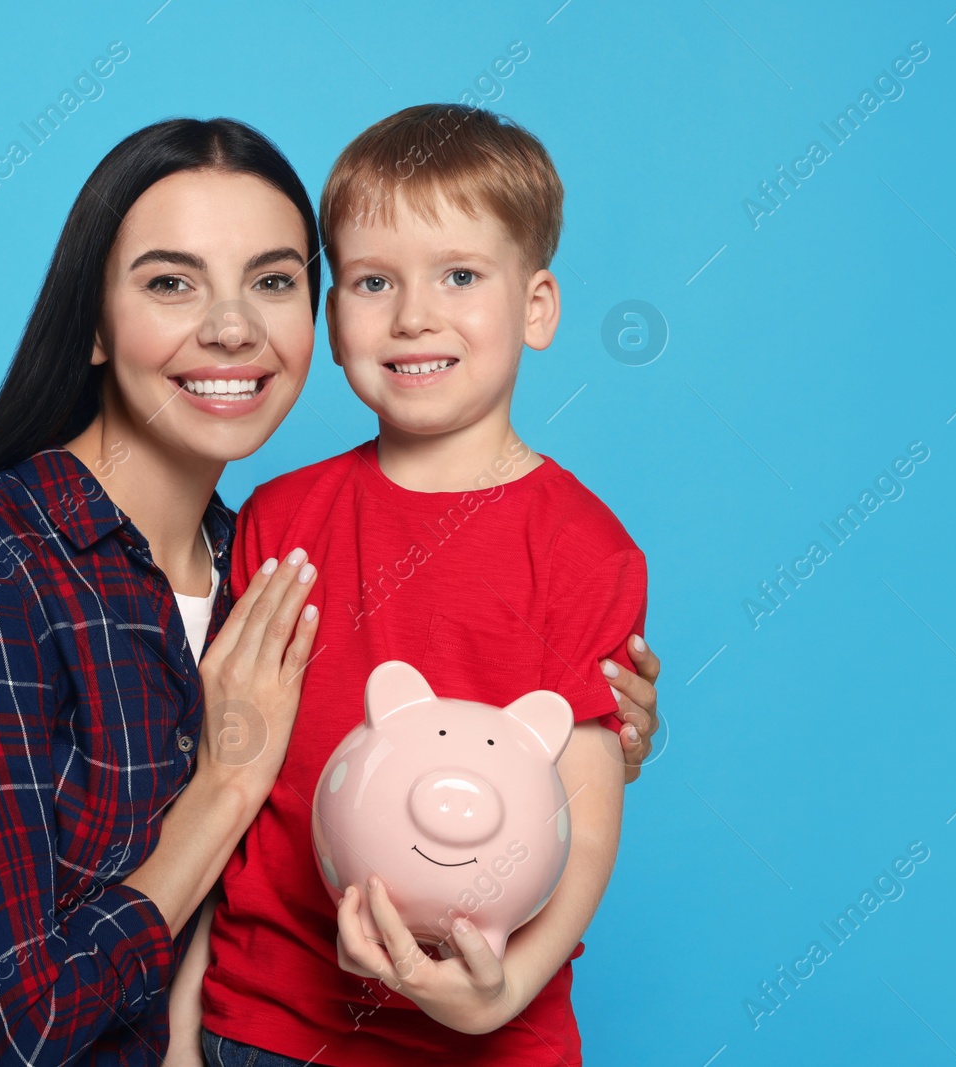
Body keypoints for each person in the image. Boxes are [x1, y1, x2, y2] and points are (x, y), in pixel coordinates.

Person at [0, 117, 661, 1066]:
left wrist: (570, 739)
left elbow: (437, 733)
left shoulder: (253, 558)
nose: (231, 327)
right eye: (171, 282)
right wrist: (227, 785)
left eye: (270, 281)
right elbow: (15, 1024)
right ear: (95, 322)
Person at [175, 104, 651, 1067]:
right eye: (372, 281)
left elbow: (589, 820)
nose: (412, 315)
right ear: (332, 320)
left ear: (537, 308)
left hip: (486, 1037)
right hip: (265, 1025)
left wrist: (501, 993)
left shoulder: (585, 549)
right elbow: (232, 786)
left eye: (461, 276)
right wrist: (183, 1021)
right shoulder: (279, 518)